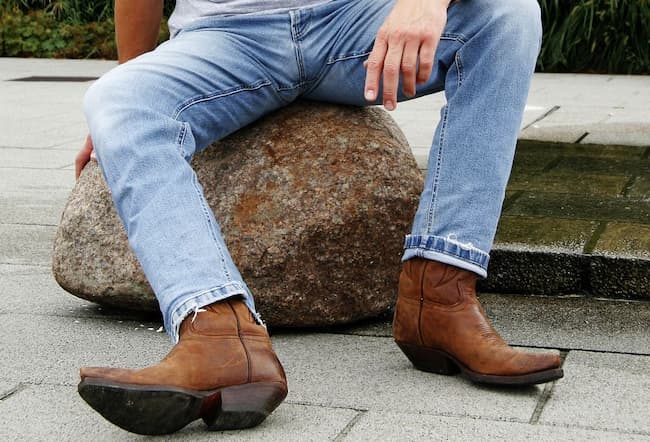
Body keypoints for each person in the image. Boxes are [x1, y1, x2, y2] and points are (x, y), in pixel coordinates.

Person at [74, 0, 563, 435]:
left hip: (353, 21)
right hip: (222, 39)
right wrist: (132, 90)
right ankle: (219, 337)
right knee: (115, 100)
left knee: (507, 15)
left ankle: (440, 297)